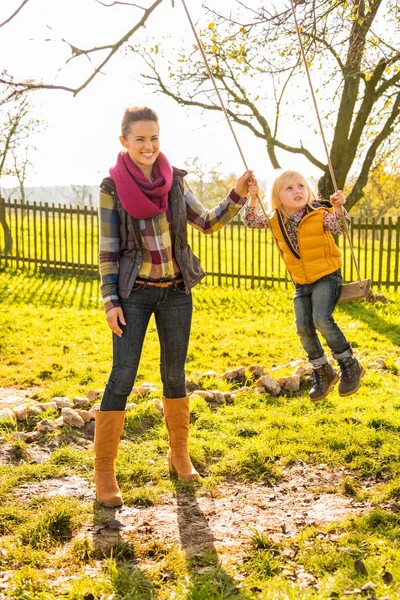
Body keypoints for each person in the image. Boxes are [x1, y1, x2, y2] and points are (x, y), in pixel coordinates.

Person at [96, 105, 252, 507]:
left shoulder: (175, 182)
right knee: (122, 376)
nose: (148, 146)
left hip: (177, 291)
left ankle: (178, 453)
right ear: (124, 142)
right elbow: (109, 251)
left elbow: (209, 221)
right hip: (134, 293)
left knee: (174, 373)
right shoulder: (111, 188)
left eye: (154, 138)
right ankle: (104, 471)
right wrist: (110, 301)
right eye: (139, 139)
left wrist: (237, 193)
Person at [243, 170, 365, 402]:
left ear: (308, 191)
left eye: (301, 185)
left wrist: (339, 207)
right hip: (301, 282)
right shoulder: (274, 219)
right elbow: (250, 221)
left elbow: (341, 227)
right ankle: (323, 370)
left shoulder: (319, 213)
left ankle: (350, 364)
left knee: (321, 319)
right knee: (302, 327)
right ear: (277, 197)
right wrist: (252, 197)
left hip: (327, 276)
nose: (297, 190)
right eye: (288, 188)